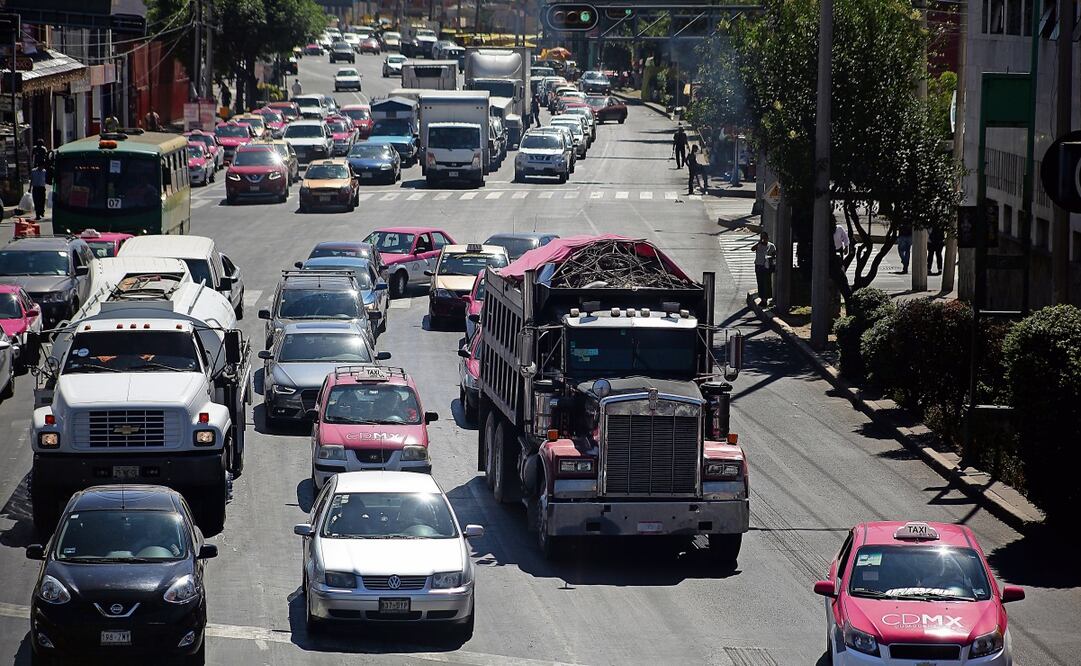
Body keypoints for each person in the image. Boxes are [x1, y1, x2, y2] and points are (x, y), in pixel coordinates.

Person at [830, 220, 853, 310]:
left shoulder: (839, 229)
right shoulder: (826, 230)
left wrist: (846, 246)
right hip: (831, 251)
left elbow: (845, 238)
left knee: (840, 266)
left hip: (838, 250)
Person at [752, 232, 777, 306]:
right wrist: (759, 242)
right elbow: (752, 249)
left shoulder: (771, 246)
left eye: (765, 238)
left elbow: (774, 255)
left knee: (767, 283)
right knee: (760, 283)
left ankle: (766, 299)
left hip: (766, 266)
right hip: (758, 266)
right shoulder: (758, 245)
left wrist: (772, 263)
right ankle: (762, 298)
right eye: (762, 238)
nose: (764, 239)